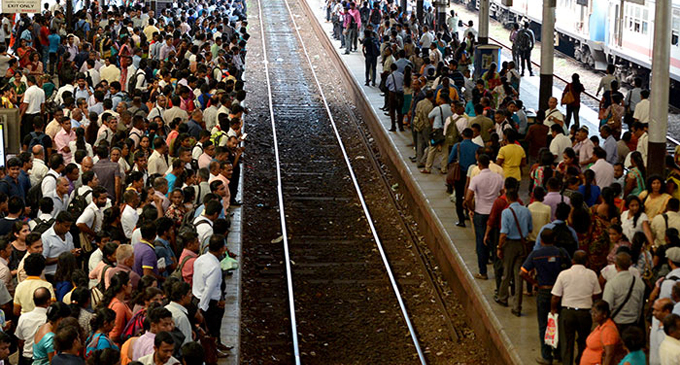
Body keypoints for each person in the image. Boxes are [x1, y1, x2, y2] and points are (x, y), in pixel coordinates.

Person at [521, 228, 571, 365]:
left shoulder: (536, 254)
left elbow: (523, 272)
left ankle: (546, 356)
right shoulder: (562, 253)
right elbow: (570, 269)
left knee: (544, 324)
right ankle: (559, 353)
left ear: (541, 240)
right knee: (559, 322)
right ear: (554, 239)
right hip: (560, 292)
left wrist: (535, 283)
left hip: (543, 292)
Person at [551, 250, 602, 365]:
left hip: (567, 312)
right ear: (587, 262)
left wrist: (553, 309)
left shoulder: (564, 274)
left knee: (567, 342)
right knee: (584, 341)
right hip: (585, 313)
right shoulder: (592, 274)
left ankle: (567, 362)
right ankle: (581, 360)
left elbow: (555, 297)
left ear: (572, 261)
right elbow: (597, 294)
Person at [465, 154, 504, 279]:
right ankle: (498, 271)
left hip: (480, 213)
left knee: (481, 242)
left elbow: (468, 198)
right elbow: (503, 195)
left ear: (479, 164)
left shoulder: (476, 179)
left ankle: (483, 272)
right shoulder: (498, 177)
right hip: (495, 214)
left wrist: (472, 209)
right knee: (495, 242)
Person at [193, 234, 231, 353]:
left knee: (208, 329)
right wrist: (203, 308)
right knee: (212, 329)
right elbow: (208, 289)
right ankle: (213, 352)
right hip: (208, 303)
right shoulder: (214, 267)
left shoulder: (200, 259)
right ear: (221, 249)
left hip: (197, 296)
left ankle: (216, 346)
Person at [496, 189, 531, 316]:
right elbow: (530, 228)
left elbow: (503, 233)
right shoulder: (526, 210)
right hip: (522, 245)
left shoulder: (506, 212)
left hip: (510, 245)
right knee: (518, 276)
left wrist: (499, 247)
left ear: (507, 199)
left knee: (507, 273)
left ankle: (503, 297)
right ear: (517, 197)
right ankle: (517, 306)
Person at [602, 252, 645, 334]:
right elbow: (640, 305)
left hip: (616, 322)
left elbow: (607, 306)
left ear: (615, 265)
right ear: (630, 264)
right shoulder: (639, 282)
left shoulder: (611, 284)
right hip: (633, 322)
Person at [579, 300, 622, 365]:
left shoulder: (608, 330)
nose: (593, 315)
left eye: (595, 313)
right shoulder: (600, 326)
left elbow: (609, 354)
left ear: (604, 314)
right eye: (592, 312)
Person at [15, 286, 50, 365]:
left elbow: (20, 341)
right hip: (44, 359)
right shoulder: (50, 319)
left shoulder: (23, 317)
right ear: (48, 301)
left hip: (26, 357)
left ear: (34, 301)